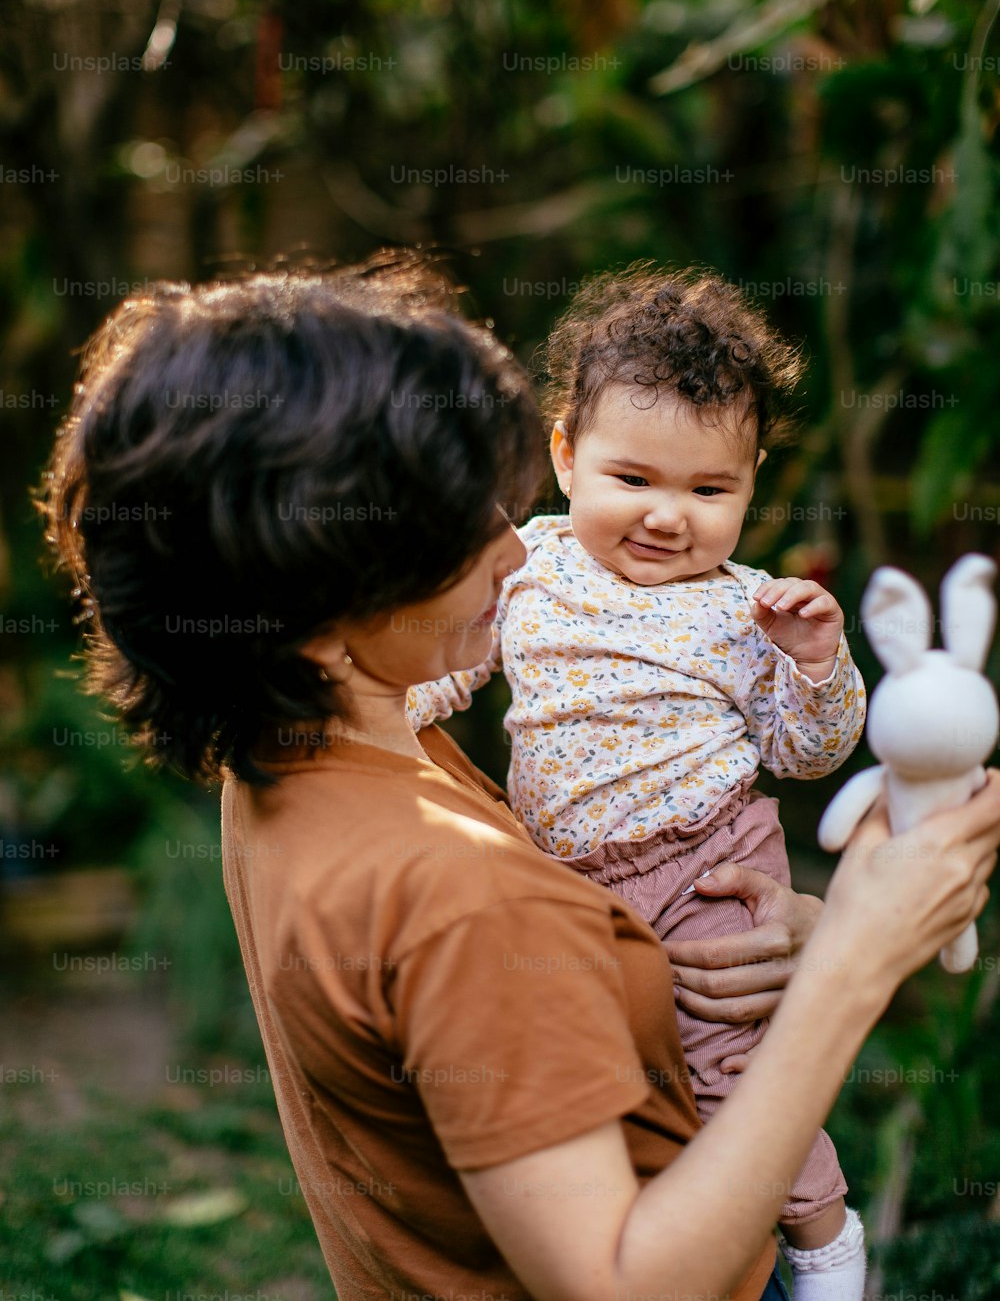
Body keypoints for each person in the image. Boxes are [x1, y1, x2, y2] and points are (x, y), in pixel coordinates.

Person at [39, 251, 1000, 1301]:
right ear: (325, 597)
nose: (517, 552)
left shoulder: (309, 760)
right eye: (466, 527)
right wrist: (852, 965)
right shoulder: (456, 897)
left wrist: (771, 942)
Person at [405, 265, 865, 1295]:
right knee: (587, 1069)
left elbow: (807, 752)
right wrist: (390, 714)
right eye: (634, 479)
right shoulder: (532, 564)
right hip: (564, 872)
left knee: (730, 1071)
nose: (668, 517)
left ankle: (823, 1240)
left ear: (750, 484)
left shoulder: (748, 608)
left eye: (709, 491)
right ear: (566, 457)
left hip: (707, 864)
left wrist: (815, 666)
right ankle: (633, 1242)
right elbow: (456, 663)